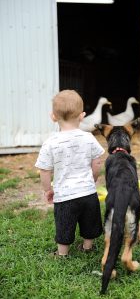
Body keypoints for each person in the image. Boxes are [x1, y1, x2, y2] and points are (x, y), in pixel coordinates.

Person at [35, 90, 105, 257]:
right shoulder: (89, 138)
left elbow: (44, 170)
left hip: (65, 195)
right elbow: (97, 163)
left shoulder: (50, 142)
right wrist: (93, 179)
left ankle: (62, 254)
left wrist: (47, 189)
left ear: (53, 117)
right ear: (82, 116)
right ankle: (88, 247)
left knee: (64, 224)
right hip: (88, 192)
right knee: (90, 222)